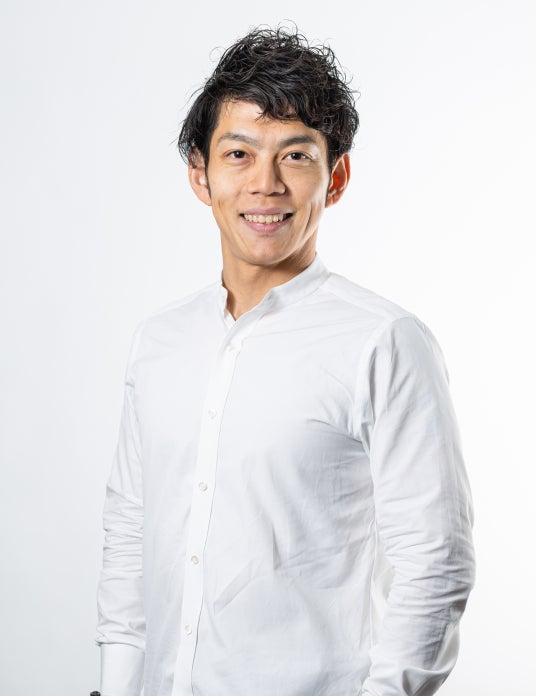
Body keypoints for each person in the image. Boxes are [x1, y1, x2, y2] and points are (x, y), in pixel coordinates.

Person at [94, 26, 475, 696]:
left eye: (295, 156)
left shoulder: (385, 342)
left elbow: (434, 560)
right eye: (238, 153)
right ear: (200, 173)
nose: (265, 184)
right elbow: (131, 530)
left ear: (336, 177)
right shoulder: (159, 342)